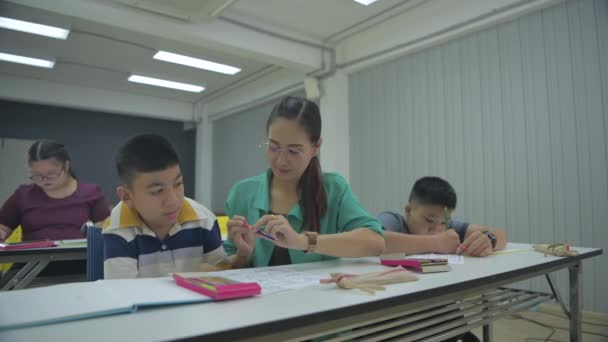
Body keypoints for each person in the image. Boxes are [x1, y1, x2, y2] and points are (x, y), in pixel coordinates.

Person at [224, 96, 385, 268]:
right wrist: (242, 255)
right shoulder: (242, 192)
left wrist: (303, 241)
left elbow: (375, 242)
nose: (281, 161)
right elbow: (230, 264)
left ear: (316, 147)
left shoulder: (333, 189)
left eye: (293, 151)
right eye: (273, 147)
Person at [103, 134, 230, 279]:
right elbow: (123, 293)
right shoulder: (118, 228)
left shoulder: (203, 219)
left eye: (178, 184)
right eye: (157, 191)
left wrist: (221, 269)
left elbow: (221, 273)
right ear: (127, 197)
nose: (173, 201)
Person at [0, 139, 110, 242]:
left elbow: (105, 228)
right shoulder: (23, 195)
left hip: (79, 260)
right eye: (37, 176)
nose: (44, 180)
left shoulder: (91, 193)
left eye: (51, 174)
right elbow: (3, 227)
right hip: (33, 261)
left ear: (66, 166)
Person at [380, 176, 507, 256]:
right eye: (429, 220)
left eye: (443, 222)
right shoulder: (392, 221)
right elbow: (376, 240)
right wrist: (437, 243)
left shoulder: (448, 227)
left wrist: (489, 239)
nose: (437, 230)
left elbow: (501, 235)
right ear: (408, 210)